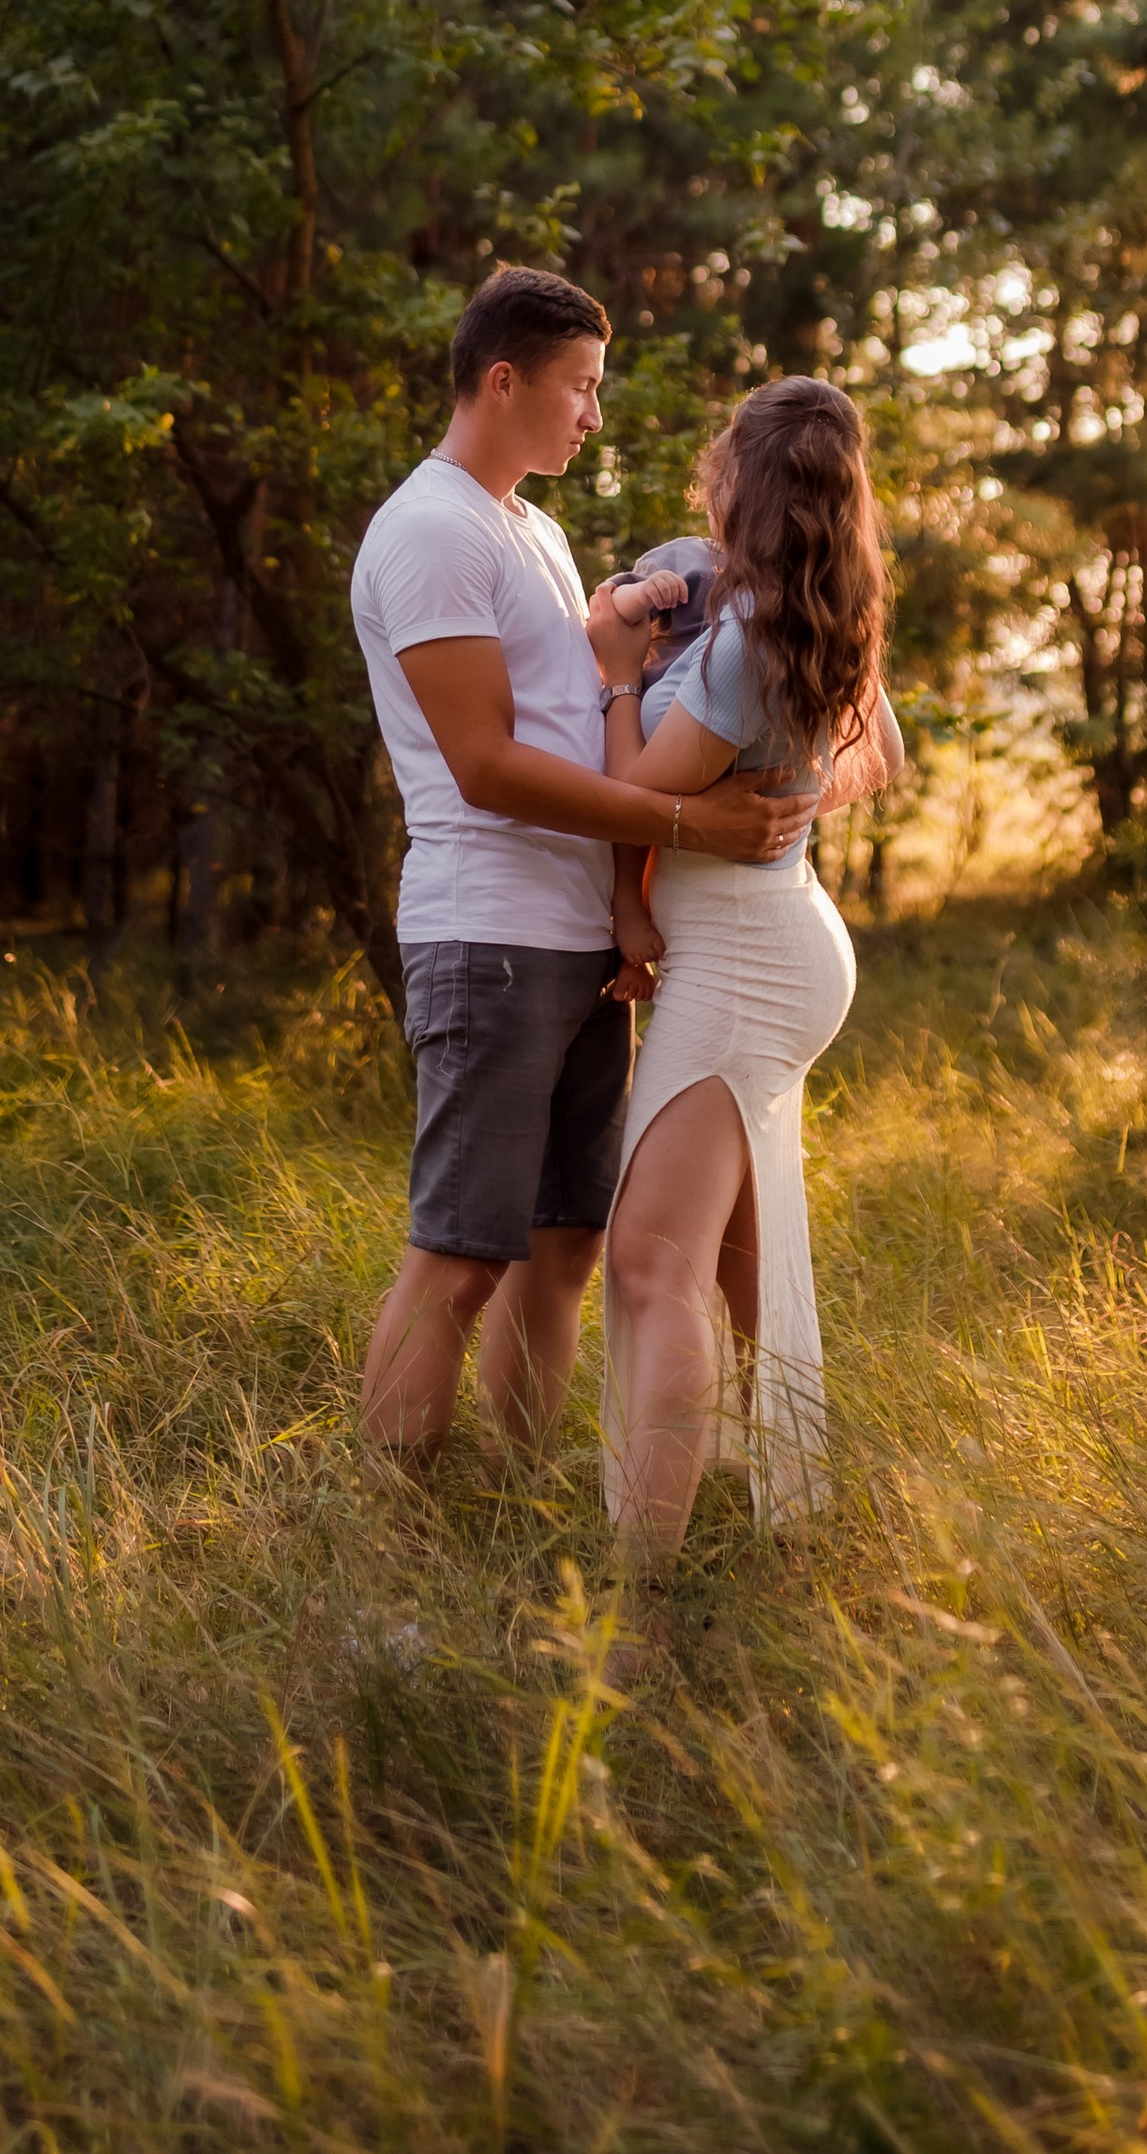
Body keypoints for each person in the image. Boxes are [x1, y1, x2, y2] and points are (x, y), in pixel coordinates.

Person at [349, 266, 811, 1464]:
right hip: (487, 935)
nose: (593, 417)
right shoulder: (429, 530)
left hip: (575, 940)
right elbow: (486, 768)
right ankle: (390, 1537)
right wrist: (684, 832)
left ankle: (507, 1497)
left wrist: (625, 905)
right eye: (580, 390)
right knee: (460, 1258)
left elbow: (580, 713)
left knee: (563, 1245)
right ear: (504, 382)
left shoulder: (533, 530)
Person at [592, 377, 904, 1588]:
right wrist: (799, 800)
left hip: (738, 964)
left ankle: (640, 1585)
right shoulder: (820, 616)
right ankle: (768, 1516)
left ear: (742, 485)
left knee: (648, 1261)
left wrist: (621, 680)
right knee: (726, 1260)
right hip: (778, 940)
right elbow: (880, 755)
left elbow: (631, 800)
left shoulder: (738, 648)